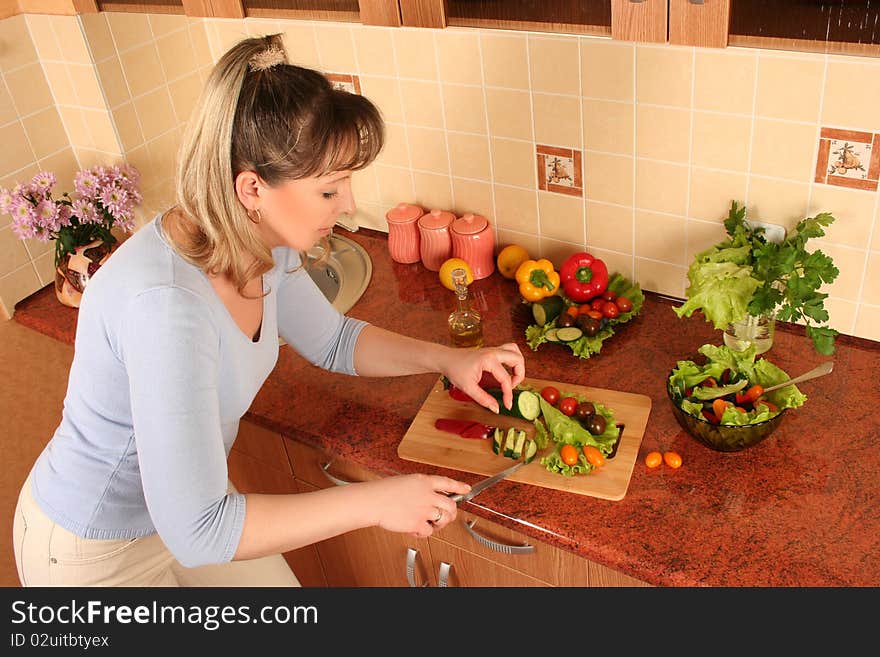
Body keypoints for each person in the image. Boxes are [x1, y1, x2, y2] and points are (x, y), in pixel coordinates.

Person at [12, 34, 525, 587]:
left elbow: (334, 341)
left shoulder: (260, 241)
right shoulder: (167, 309)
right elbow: (199, 531)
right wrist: (379, 501)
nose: (349, 205)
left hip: (191, 514)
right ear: (252, 187)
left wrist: (448, 360)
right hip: (96, 552)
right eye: (330, 191)